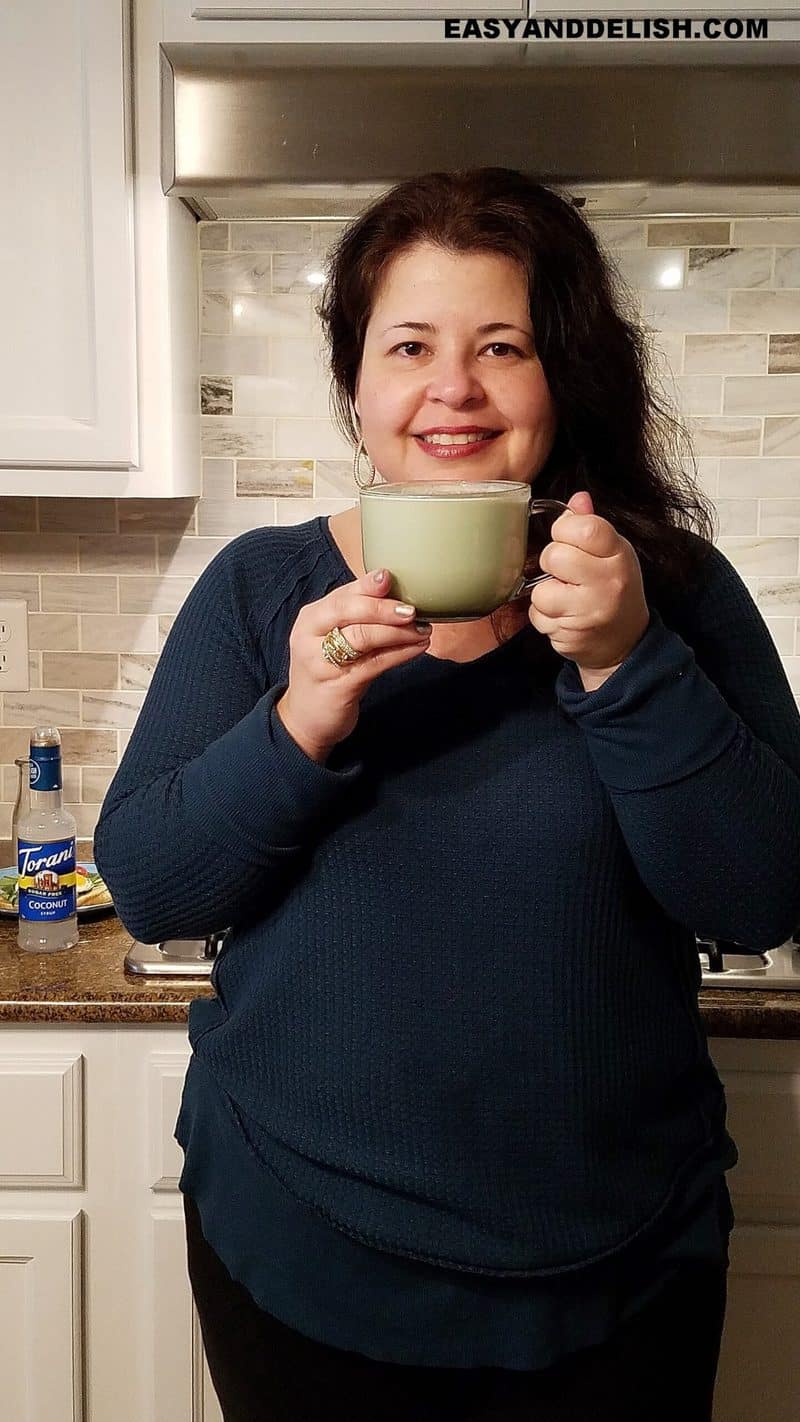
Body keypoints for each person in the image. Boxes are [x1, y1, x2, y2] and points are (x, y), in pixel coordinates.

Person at [93, 168, 800, 1422]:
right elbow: (149, 885)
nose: (451, 387)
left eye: (501, 346)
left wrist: (626, 662)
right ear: (357, 389)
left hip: (622, 1271)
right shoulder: (264, 591)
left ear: (557, 379)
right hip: (302, 1251)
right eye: (408, 345)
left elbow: (755, 894)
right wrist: (299, 719)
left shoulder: (669, 592)